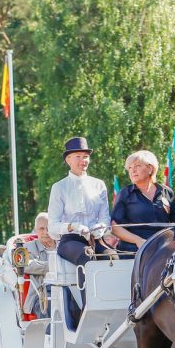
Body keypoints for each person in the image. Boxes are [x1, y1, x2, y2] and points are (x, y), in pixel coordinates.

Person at [47, 137, 114, 324]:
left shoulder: (99, 185)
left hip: (95, 237)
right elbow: (52, 225)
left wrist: (101, 227)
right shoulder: (59, 187)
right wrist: (72, 227)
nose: (82, 160)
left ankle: (117, 308)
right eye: (78, 156)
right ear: (68, 160)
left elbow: (104, 216)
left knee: (112, 257)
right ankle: (90, 310)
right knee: (87, 255)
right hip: (70, 240)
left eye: (85, 156)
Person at [111, 150, 175, 255]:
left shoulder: (166, 192)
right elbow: (115, 228)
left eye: (137, 166)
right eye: (130, 168)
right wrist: (138, 241)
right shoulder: (124, 194)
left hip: (165, 250)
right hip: (134, 253)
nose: (132, 171)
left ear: (150, 169)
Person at [22, 213, 56, 319]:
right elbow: (25, 265)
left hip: (66, 288)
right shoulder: (26, 247)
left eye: (49, 228)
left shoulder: (63, 246)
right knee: (49, 303)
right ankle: (49, 335)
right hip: (41, 293)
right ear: (35, 230)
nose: (46, 232)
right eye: (41, 228)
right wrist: (55, 265)